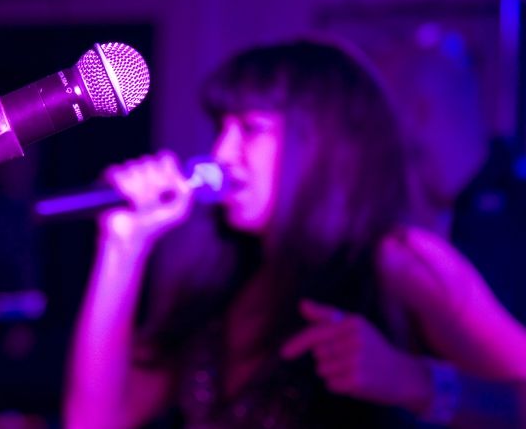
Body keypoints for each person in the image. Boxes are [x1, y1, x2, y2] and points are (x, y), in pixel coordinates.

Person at [62, 39, 526, 428]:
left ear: (321, 143)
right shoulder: (220, 284)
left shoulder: (400, 260)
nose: (221, 154)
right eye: (221, 128)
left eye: (251, 129)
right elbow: (92, 421)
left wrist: (413, 381)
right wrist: (123, 247)